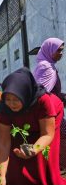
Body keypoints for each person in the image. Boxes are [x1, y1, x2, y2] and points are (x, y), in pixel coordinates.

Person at [0, 67, 66, 185]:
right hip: (26, 126)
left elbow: (47, 135)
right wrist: (1, 175)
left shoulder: (43, 101)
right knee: (16, 161)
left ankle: (48, 183)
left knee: (43, 158)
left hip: (50, 118)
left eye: (16, 99)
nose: (11, 104)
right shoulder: (4, 108)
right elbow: (3, 143)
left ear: (25, 94)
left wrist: (33, 149)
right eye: (8, 99)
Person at [33, 37, 66, 170]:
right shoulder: (45, 67)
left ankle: (58, 164)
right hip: (49, 111)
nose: (61, 53)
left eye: (62, 51)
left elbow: (52, 90)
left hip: (54, 108)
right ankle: (59, 165)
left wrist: (62, 97)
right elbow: (42, 91)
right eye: (58, 50)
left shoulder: (48, 65)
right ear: (49, 50)